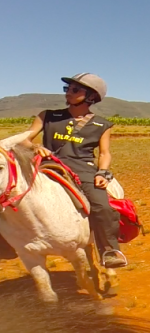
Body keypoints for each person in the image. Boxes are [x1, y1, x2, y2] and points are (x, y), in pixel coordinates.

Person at [23, 73, 127, 269]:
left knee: (102, 206)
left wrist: (102, 173)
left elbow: (104, 154)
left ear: (91, 96)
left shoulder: (102, 125)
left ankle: (109, 250)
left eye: (75, 90)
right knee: (10, 191)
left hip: (82, 169)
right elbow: (25, 139)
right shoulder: (47, 116)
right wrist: (35, 148)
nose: (69, 92)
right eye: (68, 89)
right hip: (48, 164)